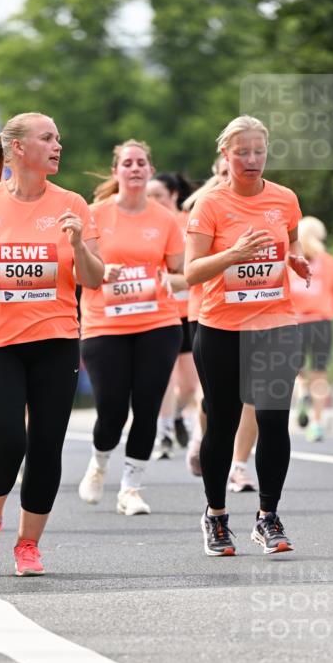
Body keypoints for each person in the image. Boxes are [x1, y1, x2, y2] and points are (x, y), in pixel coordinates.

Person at [0, 111, 104, 576]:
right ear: (17, 149)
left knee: (47, 445)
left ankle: (28, 544)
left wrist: (80, 244)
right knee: (7, 440)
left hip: (55, 339)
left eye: (58, 138)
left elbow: (93, 279)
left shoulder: (72, 204)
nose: (58, 145)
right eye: (47, 137)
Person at [185, 115, 310, 556]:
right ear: (226, 155)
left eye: (258, 151)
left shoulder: (285, 199)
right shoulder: (211, 206)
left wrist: (294, 260)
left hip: (276, 324)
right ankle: (216, 516)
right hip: (222, 328)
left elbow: (290, 242)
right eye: (242, 152)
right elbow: (192, 271)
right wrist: (232, 255)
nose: (251, 159)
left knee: (274, 419)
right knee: (223, 421)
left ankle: (267, 516)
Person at [77, 140, 184, 516]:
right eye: (128, 163)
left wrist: (173, 280)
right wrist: (101, 271)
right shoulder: (94, 215)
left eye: (141, 162)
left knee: (147, 406)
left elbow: (183, 273)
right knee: (111, 410)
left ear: (150, 170)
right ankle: (99, 463)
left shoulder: (165, 219)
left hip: (158, 322)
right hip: (104, 324)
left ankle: (130, 489)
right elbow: (81, 272)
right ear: (116, 172)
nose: (135, 168)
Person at [183, 161, 259, 492]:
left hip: (255, 316)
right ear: (218, 170)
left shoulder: (265, 204)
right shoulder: (204, 207)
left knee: (254, 394)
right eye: (226, 170)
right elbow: (190, 269)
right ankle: (204, 436)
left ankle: (239, 466)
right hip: (207, 313)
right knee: (217, 403)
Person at [146, 172, 198, 458]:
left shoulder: (190, 221)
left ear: (175, 195)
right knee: (164, 376)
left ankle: (177, 415)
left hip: (189, 311)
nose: (153, 201)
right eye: (149, 196)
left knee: (190, 383)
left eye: (159, 196)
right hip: (159, 311)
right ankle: (163, 434)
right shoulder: (145, 222)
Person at [290, 216, 333, 442]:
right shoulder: (330, 262)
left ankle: (302, 395)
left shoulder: (291, 261)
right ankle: (317, 424)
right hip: (322, 322)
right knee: (319, 374)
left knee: (297, 371)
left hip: (295, 322)